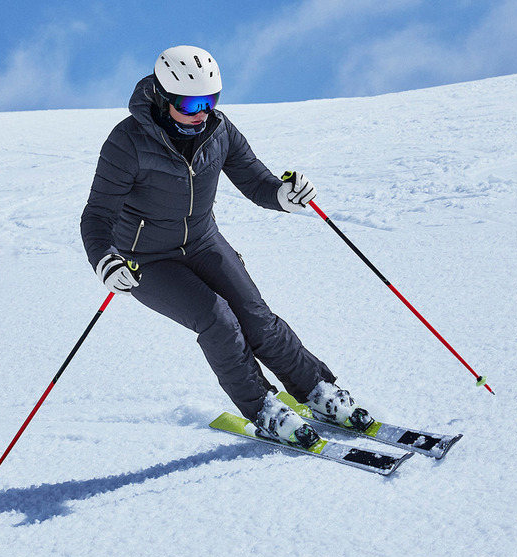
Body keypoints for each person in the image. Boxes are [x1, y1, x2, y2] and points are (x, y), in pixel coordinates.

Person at [81, 45, 372, 448]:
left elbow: (256, 181)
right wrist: (105, 260)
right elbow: (97, 215)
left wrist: (283, 195)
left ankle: (318, 391)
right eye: (190, 103)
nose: (201, 113)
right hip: (145, 259)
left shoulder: (218, 130)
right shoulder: (126, 142)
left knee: (258, 320)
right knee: (218, 322)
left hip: (203, 241)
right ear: (163, 100)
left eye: (210, 101)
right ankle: (263, 408)